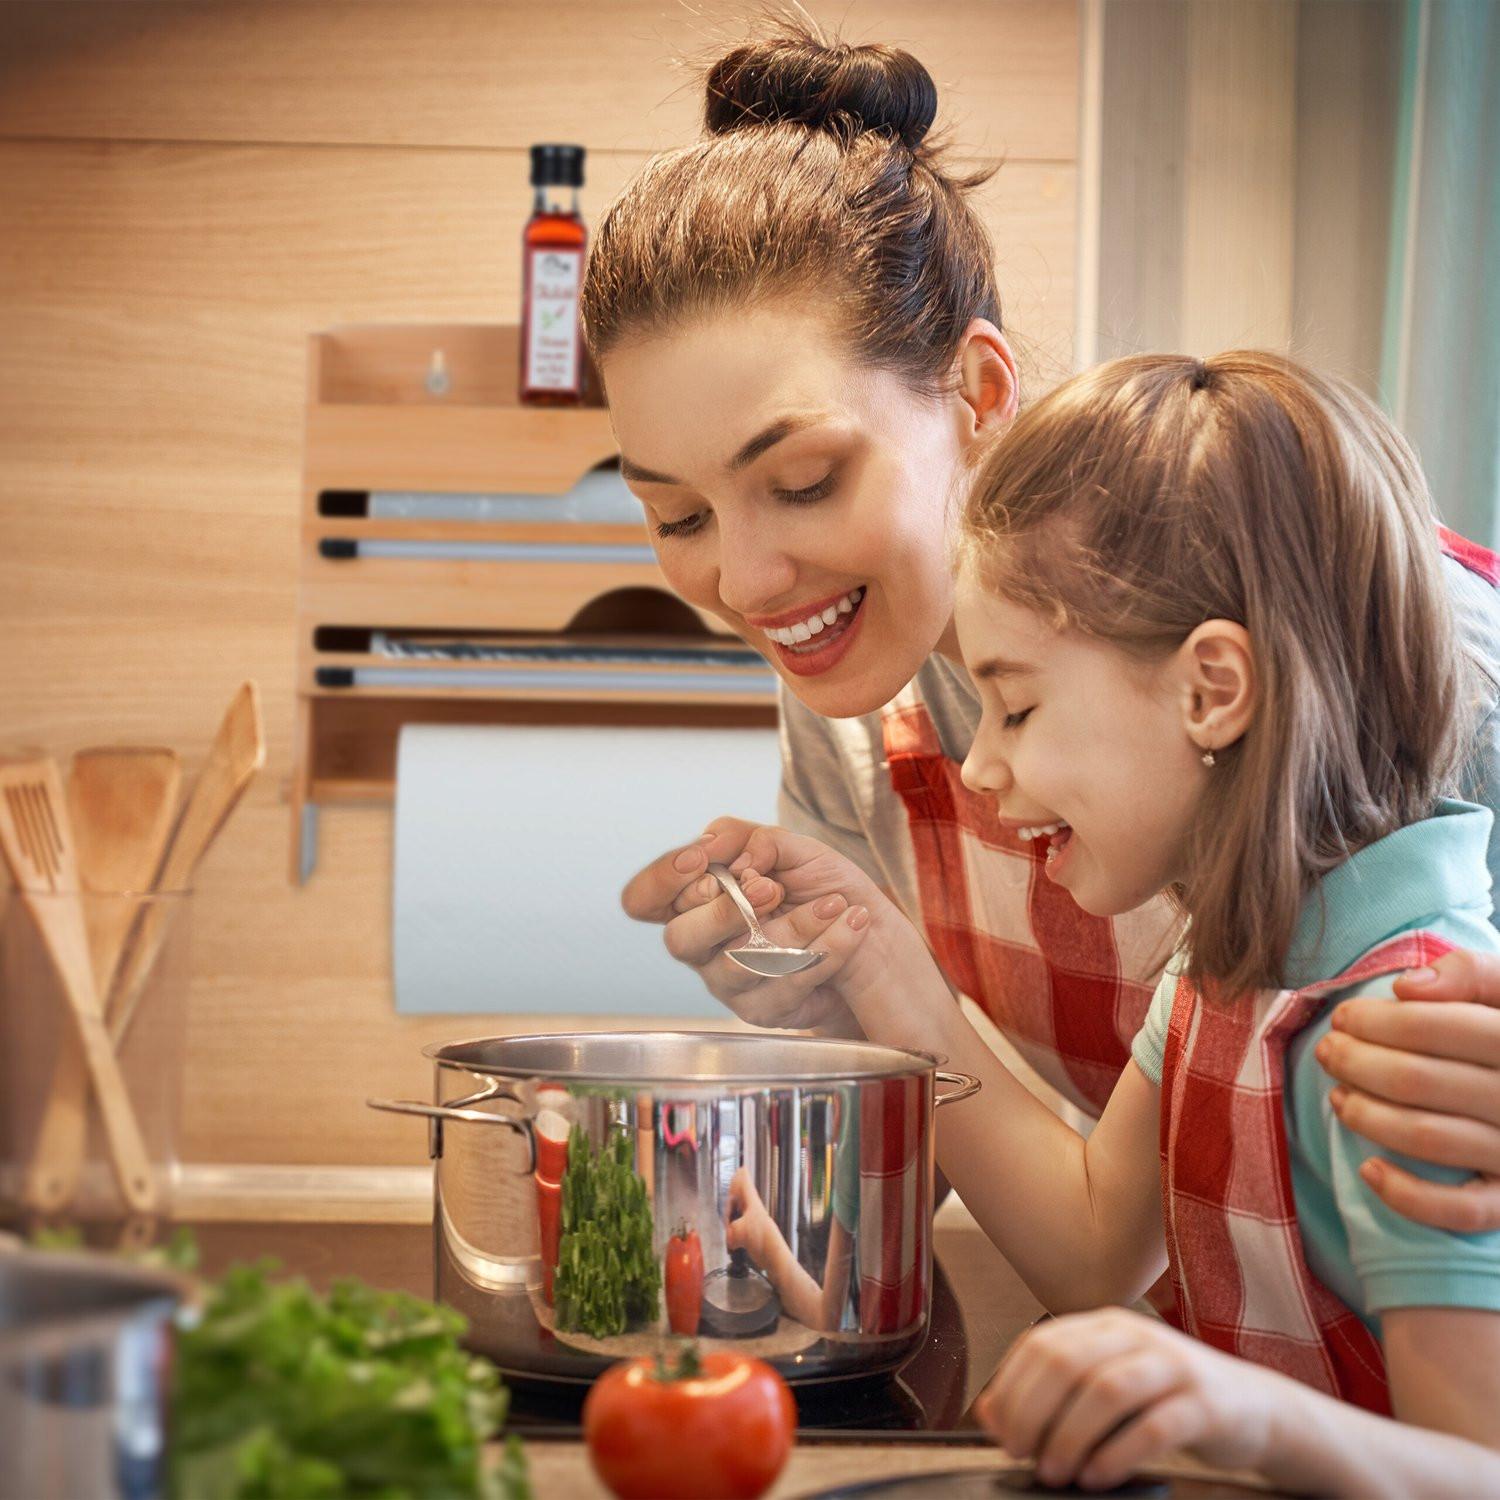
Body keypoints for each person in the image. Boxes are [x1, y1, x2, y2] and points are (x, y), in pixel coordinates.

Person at [582, 23, 1500, 1233]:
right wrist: (846, 1008)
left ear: (978, 393)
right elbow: (1057, 1214)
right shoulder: (859, 703)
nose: (746, 580)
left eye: (802, 481)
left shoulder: (1397, 641)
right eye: (678, 513)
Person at [693, 351, 1500, 1493]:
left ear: (1212, 691)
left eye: (1017, 705)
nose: (981, 763)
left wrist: (1239, 1415)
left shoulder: (1410, 1034)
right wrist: (872, 960)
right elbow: (1089, 1247)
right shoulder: (1231, 963)